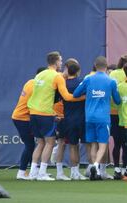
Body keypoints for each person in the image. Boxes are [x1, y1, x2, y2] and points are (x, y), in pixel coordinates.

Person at [27, 51, 83, 181]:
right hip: (45, 112)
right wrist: (85, 97)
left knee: (40, 143)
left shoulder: (40, 74)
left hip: (33, 112)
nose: (61, 63)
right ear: (56, 62)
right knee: (50, 142)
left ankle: (33, 173)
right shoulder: (57, 77)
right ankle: (42, 173)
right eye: (61, 61)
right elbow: (67, 97)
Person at [73, 56, 121, 180]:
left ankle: (96, 171)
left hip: (89, 117)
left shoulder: (88, 79)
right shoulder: (111, 81)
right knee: (103, 144)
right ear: (106, 66)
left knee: (93, 144)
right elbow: (117, 100)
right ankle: (95, 166)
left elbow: (76, 93)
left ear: (95, 65)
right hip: (103, 118)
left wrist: (90, 94)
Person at [12, 67, 46, 180]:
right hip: (22, 118)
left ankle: (34, 171)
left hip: (21, 117)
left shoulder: (30, 82)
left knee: (32, 144)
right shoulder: (35, 86)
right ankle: (21, 172)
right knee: (30, 145)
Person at [62, 59, 88, 180]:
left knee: (73, 145)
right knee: (87, 145)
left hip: (69, 119)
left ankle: (74, 172)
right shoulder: (82, 82)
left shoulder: (64, 84)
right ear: (78, 71)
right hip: (82, 118)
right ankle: (90, 170)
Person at [109, 54, 127, 179]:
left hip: (113, 112)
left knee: (117, 143)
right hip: (126, 113)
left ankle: (117, 169)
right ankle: (126, 169)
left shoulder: (112, 74)